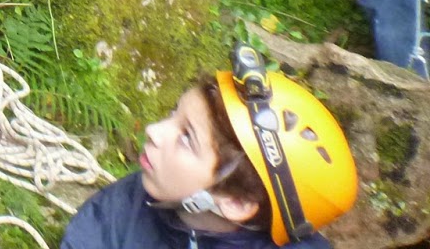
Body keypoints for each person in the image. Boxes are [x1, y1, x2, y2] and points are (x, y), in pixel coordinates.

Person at [61, 45, 358, 248]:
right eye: (172, 114)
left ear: (236, 202)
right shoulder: (121, 211)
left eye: (187, 138)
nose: (154, 131)